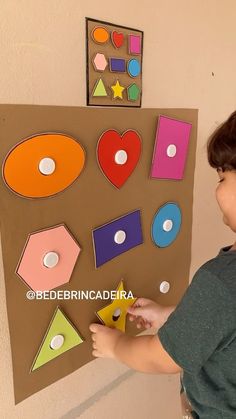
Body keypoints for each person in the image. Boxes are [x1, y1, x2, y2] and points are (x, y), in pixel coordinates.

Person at [89, 111, 236, 419]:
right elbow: (227, 323)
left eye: (223, 177)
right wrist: (176, 317)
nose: (217, 187)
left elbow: (162, 358)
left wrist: (117, 346)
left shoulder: (221, 280)